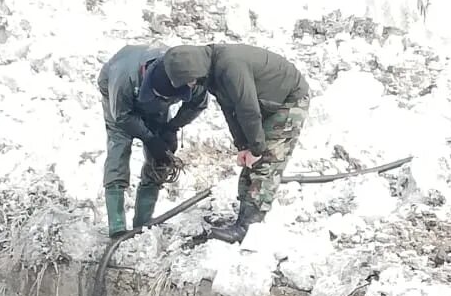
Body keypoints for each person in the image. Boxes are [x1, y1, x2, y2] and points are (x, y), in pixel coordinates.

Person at [155, 43, 310, 243]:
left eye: (189, 81)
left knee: (266, 160)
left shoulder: (230, 67)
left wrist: (256, 147)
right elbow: (230, 109)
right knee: (252, 162)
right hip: (265, 101)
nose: (191, 86)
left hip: (289, 100)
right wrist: (242, 145)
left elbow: (247, 108)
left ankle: (249, 227)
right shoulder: (213, 73)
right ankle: (244, 215)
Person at [97, 45, 207, 237]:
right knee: (119, 145)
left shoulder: (186, 74)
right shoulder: (124, 77)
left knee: (161, 156)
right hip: (119, 100)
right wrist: (149, 138)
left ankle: (143, 223)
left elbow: (198, 103)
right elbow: (122, 116)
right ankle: (117, 226)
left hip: (155, 107)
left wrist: (172, 127)